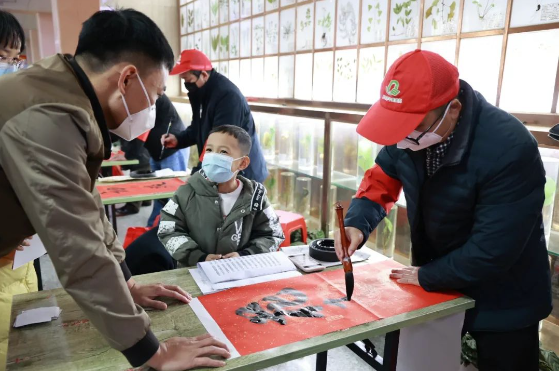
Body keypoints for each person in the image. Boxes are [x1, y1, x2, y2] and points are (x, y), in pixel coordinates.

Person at [0, 9, 230, 370]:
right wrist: (153, 352)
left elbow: (87, 205)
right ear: (126, 79)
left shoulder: (64, 93)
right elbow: (78, 246)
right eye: (154, 96)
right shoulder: (49, 115)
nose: (152, 110)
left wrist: (127, 284)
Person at [334, 50, 551, 371]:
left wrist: (426, 275)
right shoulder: (409, 133)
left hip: (506, 295)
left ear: (453, 110)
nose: (401, 138)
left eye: (411, 126)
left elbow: (494, 249)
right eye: (397, 126)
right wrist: (356, 224)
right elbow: (381, 180)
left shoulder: (509, 147)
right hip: (436, 285)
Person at [158, 125, 284, 266]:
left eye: (223, 152)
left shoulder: (256, 197)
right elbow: (168, 230)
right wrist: (197, 257)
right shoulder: (186, 193)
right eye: (209, 150)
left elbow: (272, 234)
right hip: (193, 273)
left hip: (240, 272)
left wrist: (245, 255)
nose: (213, 157)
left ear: (242, 163)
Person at [160, 49, 268, 183]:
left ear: (204, 74)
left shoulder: (227, 97)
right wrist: (179, 139)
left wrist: (197, 175)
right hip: (222, 172)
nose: (187, 85)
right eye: (184, 80)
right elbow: (197, 128)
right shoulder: (201, 93)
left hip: (243, 176)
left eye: (188, 80)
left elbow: (222, 143)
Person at [0, 11, 38, 370]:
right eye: (1, 58)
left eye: (14, 59)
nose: (10, 68)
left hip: (21, 261)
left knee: (24, 347)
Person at [143, 93, 190, 225]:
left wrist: (127, 153)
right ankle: (154, 226)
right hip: (155, 149)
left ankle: (170, 230)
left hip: (172, 149)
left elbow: (139, 127)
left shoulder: (148, 92)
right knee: (160, 195)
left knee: (173, 195)